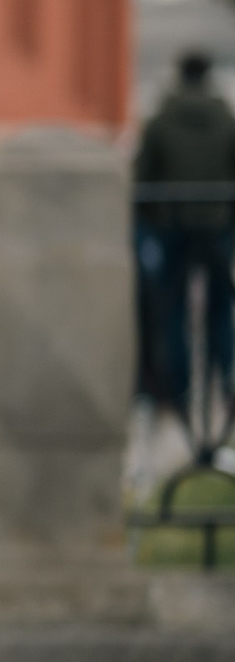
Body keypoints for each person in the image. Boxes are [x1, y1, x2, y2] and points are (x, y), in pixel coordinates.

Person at [134, 52, 235, 429]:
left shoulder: (162, 120)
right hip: (217, 226)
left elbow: (143, 175)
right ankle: (228, 383)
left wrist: (155, 222)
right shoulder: (226, 119)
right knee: (220, 311)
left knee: (174, 313)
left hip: (174, 226)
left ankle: (178, 392)